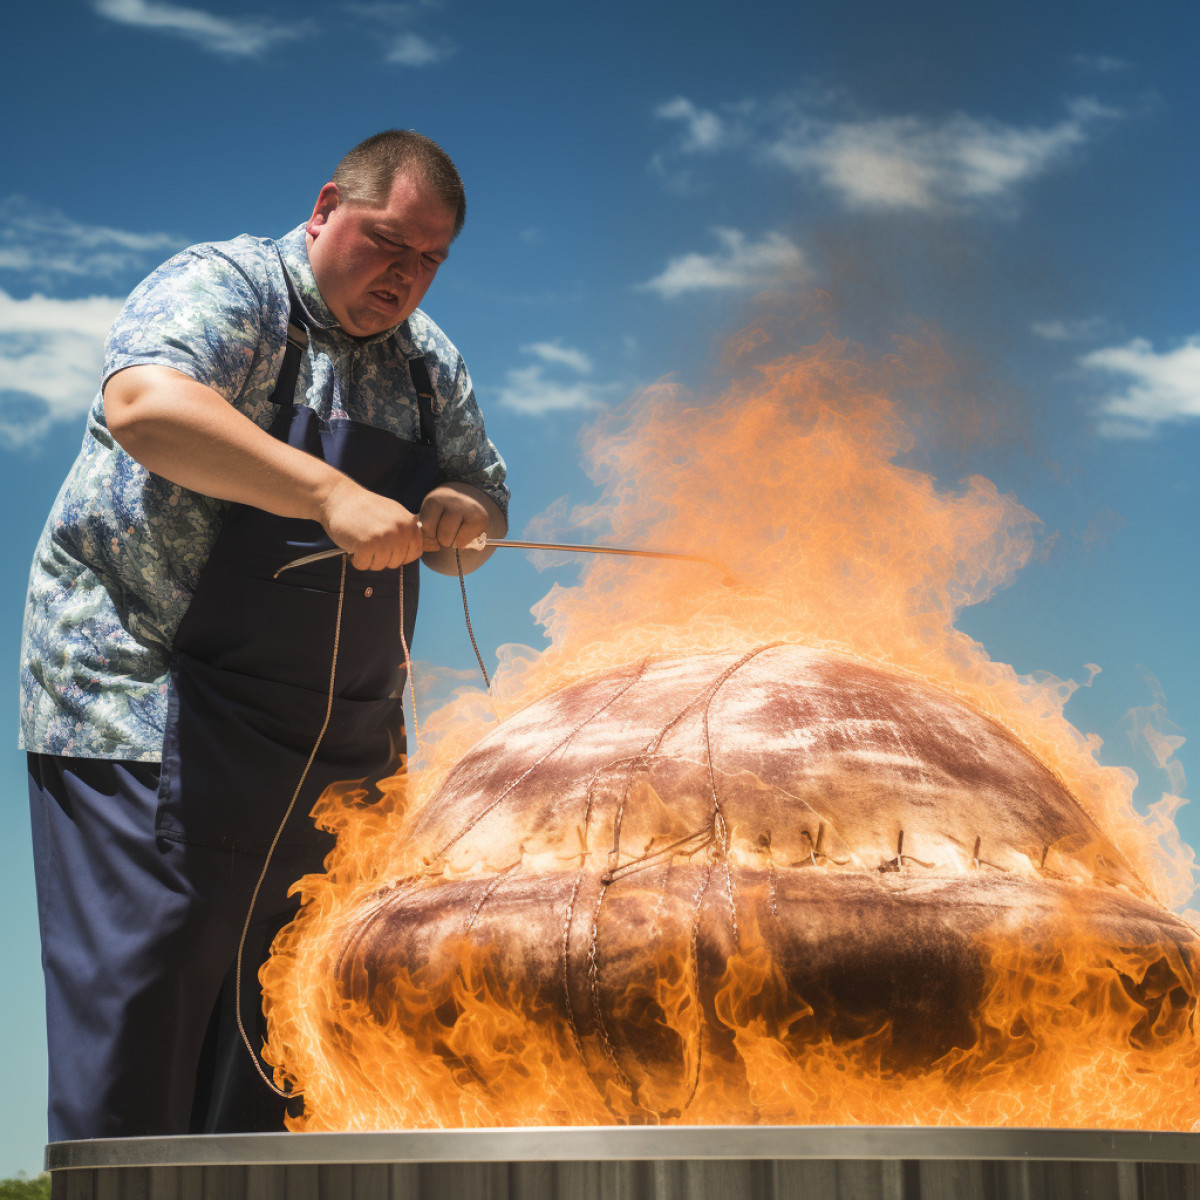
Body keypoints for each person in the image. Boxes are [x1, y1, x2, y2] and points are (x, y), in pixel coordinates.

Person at [20, 130, 508, 1141]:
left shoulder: (428, 367)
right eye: (387, 242)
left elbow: (484, 505)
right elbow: (145, 407)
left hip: (339, 756)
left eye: (430, 259)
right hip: (151, 717)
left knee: (297, 1045)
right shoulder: (229, 289)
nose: (404, 276)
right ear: (328, 206)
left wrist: (463, 516)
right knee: (143, 1031)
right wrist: (330, 491)